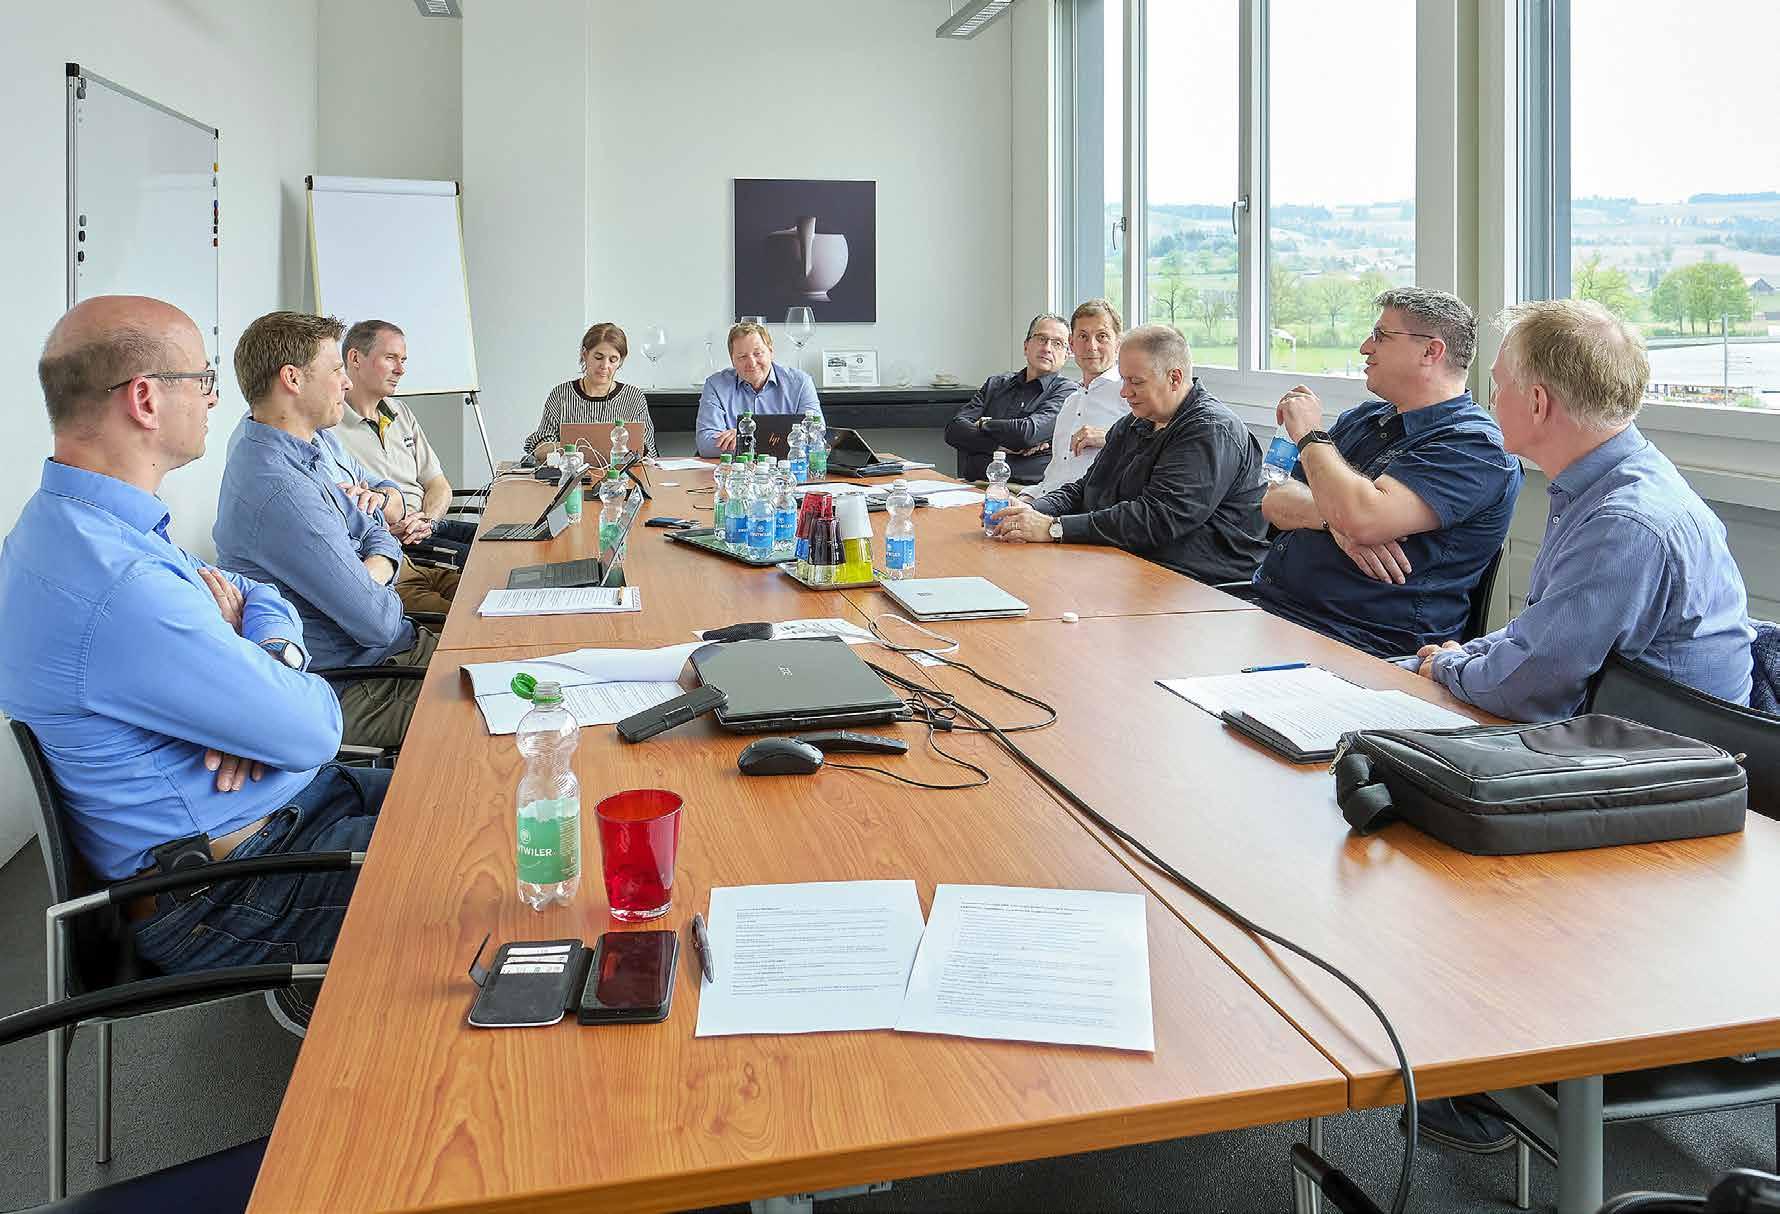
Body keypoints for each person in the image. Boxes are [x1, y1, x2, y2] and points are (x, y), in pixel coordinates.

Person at [0, 295, 388, 986]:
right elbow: (315, 729)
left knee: (478, 793)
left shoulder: (79, 524)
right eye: (202, 378)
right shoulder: (118, 584)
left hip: (289, 811)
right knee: (508, 859)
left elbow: (255, 592)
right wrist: (261, 688)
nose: (214, 397)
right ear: (145, 399)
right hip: (239, 886)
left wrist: (263, 656)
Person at [1415, 298, 1754, 720]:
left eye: (1498, 386)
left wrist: (1447, 665)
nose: (1491, 401)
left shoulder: (1622, 526)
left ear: (1537, 403)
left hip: (1653, 754)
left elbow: (1528, 688)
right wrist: (1463, 656)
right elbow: (1540, 635)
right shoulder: (1611, 484)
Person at [1248, 287, 1522, 658]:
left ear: (1431, 351)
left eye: (1381, 336)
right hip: (1273, 612)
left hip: (1363, 644)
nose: (1365, 347)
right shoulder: (1362, 419)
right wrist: (1335, 522)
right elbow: (1274, 500)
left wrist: (1310, 435)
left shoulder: (1475, 447)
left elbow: (1362, 518)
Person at [214, 311, 436, 751]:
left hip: (394, 651)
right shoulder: (280, 489)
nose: (347, 383)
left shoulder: (309, 446)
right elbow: (377, 623)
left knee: (510, 659)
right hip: (361, 681)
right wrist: (378, 560)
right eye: (336, 370)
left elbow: (375, 520)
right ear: (293, 379)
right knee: (510, 708)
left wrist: (376, 564)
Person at [990, 324, 1269, 583]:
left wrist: (1054, 528)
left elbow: (1157, 519)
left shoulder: (1210, 430)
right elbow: (1087, 487)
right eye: (1124, 380)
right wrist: (1030, 512)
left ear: (1174, 378)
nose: (1125, 392)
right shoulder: (1136, 422)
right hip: (1132, 559)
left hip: (1199, 581)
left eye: (1136, 382)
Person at [331, 319, 470, 615]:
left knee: (499, 545)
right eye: (391, 358)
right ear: (355, 359)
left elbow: (438, 484)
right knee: (483, 565)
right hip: (396, 540)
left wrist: (429, 519)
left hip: (428, 525)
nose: (401, 370)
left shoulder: (400, 412)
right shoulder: (331, 428)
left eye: (403, 360)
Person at [944, 313, 1077, 483]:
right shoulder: (996, 384)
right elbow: (954, 430)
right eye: (1041, 339)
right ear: (1026, 346)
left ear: (1066, 355)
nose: (1047, 348)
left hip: (1025, 490)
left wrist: (983, 424)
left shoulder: (1067, 391)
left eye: (1057, 343)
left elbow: (1026, 433)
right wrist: (999, 446)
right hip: (974, 483)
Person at [1023, 299, 1128, 499]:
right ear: (1071, 344)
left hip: (1091, 511)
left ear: (1118, 344)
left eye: (1102, 336)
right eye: (1083, 337)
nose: (1091, 346)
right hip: (1049, 503)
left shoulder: (1130, 393)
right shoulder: (1070, 403)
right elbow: (1054, 478)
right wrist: (1025, 499)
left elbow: (1158, 449)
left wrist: (1110, 437)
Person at [523, 321, 655, 462]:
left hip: (620, 474)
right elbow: (540, 450)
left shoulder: (633, 397)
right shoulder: (561, 395)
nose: (605, 365)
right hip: (571, 473)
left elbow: (648, 452)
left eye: (613, 360)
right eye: (598, 357)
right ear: (585, 354)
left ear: (620, 362)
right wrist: (581, 447)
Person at [695, 321, 822, 457]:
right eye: (742, 356)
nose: (751, 363)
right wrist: (777, 441)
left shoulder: (801, 383)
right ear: (732, 360)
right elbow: (705, 444)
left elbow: (816, 435)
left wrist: (744, 438)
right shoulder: (715, 385)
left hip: (788, 468)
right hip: (735, 469)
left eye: (758, 353)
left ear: (771, 352)